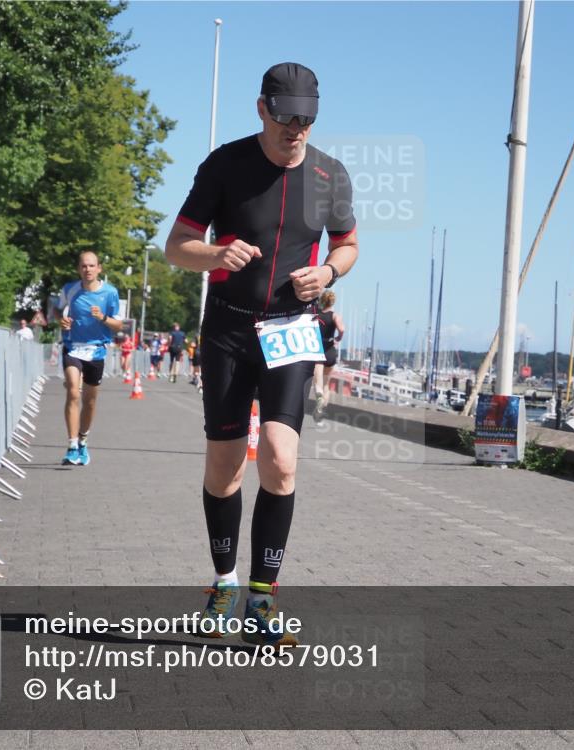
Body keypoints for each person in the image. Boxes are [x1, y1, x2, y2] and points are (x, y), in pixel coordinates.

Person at [165, 62, 357, 647]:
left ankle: (262, 597)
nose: (296, 128)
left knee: (280, 459)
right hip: (228, 329)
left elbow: (348, 245)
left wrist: (327, 272)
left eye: (307, 119)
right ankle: (224, 583)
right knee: (225, 468)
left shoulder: (329, 175)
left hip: (290, 330)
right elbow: (176, 246)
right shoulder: (225, 164)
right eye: (285, 117)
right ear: (261, 110)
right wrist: (215, 255)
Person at [57, 251, 124, 466]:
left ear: (99, 268)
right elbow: (57, 311)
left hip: (96, 350)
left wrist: (102, 317)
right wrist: (62, 320)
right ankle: (72, 445)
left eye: (92, 265)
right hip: (72, 347)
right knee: (72, 391)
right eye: (84, 266)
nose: (88, 269)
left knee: (90, 401)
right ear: (79, 269)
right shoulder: (70, 289)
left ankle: (83, 440)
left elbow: (118, 325)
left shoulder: (110, 293)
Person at [312, 290, 344, 421]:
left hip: (319, 349)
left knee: (317, 381)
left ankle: (319, 398)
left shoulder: (316, 315)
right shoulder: (335, 316)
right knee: (326, 384)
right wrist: (338, 338)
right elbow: (342, 329)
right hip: (330, 350)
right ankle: (321, 410)